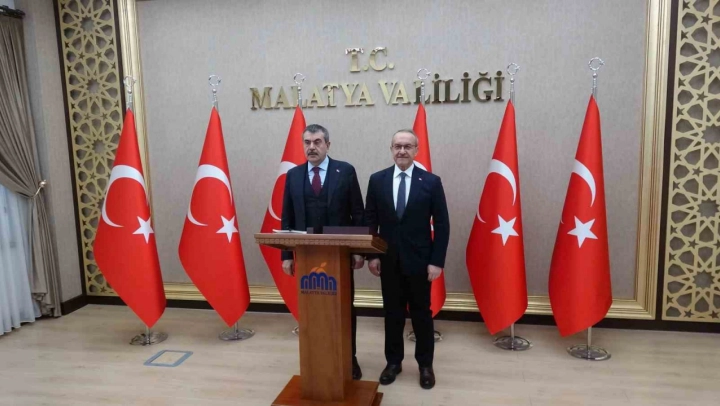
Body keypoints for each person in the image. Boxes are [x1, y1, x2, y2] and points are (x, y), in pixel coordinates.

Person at [364, 129, 450, 390]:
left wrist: (437, 261)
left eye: (407, 146)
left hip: (420, 262)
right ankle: (393, 362)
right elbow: (371, 222)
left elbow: (442, 224)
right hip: (388, 260)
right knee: (392, 314)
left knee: (422, 314)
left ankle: (425, 365)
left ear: (416, 150)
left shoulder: (431, 182)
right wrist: (372, 255)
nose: (402, 151)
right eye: (397, 146)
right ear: (391, 149)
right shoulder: (377, 180)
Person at [280, 124, 366, 380]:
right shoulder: (293, 175)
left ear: (328, 145)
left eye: (317, 142)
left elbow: (358, 213)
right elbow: (287, 216)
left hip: (340, 255)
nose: (311, 147)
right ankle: (316, 359)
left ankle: (349, 358)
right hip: (307, 256)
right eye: (307, 142)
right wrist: (287, 255)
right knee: (312, 309)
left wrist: (358, 251)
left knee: (344, 308)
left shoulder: (345, 171)